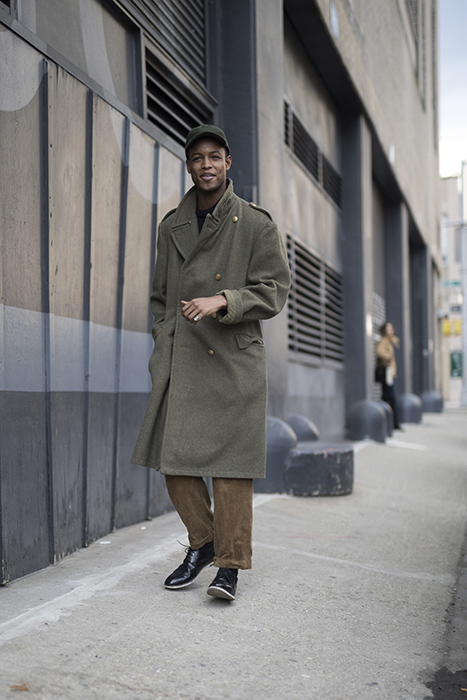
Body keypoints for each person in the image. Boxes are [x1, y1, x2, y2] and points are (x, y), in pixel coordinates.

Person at [131, 124, 291, 601]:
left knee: (231, 469)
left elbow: (274, 290)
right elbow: (160, 297)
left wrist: (223, 299)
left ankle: (230, 567)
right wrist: (164, 341)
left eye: (215, 156)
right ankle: (203, 543)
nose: (207, 165)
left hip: (234, 360)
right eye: (198, 158)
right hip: (184, 359)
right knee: (172, 458)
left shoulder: (255, 223)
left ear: (227, 163)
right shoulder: (171, 226)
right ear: (189, 166)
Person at [375, 321, 402, 430]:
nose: (390, 331)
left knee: (387, 397)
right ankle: (393, 424)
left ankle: (390, 423)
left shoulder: (390, 341)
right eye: (388, 329)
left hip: (390, 373)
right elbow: (379, 352)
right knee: (391, 398)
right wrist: (388, 356)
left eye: (391, 329)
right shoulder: (384, 340)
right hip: (386, 373)